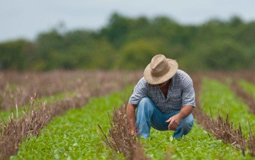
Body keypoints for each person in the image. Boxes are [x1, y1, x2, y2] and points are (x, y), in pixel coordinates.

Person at [126, 54, 195, 139]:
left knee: (188, 120)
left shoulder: (183, 79)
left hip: (176, 116)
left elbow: (189, 104)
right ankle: (143, 139)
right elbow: (131, 105)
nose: (159, 82)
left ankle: (177, 140)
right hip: (156, 117)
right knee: (144, 102)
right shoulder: (144, 83)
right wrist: (132, 130)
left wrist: (179, 116)